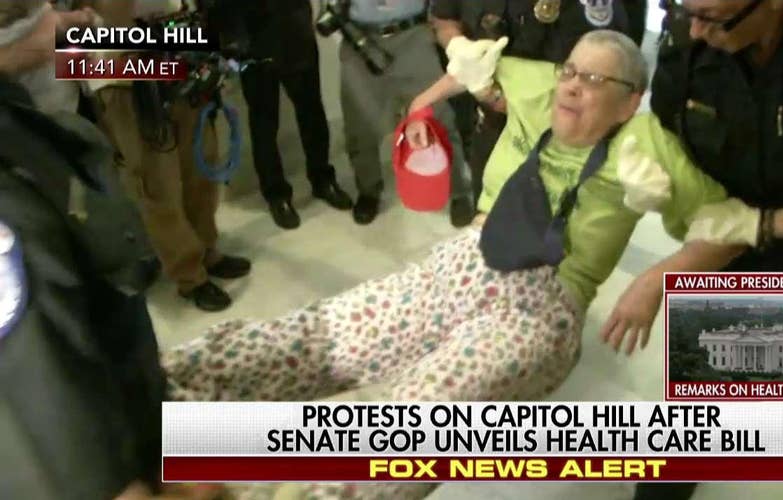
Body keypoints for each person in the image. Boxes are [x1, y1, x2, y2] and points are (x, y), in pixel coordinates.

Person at [163, 30, 743, 499]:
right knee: (317, 336)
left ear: (629, 100)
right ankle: (162, 403)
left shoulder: (647, 143)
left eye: (595, 80)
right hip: (465, 261)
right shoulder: (541, 84)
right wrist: (423, 100)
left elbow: (730, 226)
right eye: (570, 69)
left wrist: (656, 279)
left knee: (413, 421)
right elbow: (473, 65)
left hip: (539, 310)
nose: (572, 85)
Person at [604, 1, 783, 500]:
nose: (694, 28)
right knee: (707, 377)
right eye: (681, 8)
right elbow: (674, 144)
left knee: (769, 362)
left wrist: (763, 225)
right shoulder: (686, 36)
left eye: (713, 18)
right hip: (725, 214)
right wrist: (648, 166)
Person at [0, 6, 216, 499]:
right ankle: (191, 273)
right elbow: (57, 444)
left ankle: (206, 258)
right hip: (126, 463)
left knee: (390, 438)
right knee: (408, 446)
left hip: (150, 420)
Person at [84, 0, 253, 312]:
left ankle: (207, 250)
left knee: (201, 168)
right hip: (125, 75)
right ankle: (189, 275)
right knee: (158, 186)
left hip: (180, 58)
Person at [429, 0, 638, 204]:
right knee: (488, 212)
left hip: (559, 148)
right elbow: (444, 19)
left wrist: (492, 96)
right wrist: (457, 45)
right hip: (490, 132)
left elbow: (607, 85)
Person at [322, 0, 475, 227]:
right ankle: (368, 190)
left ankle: (459, 192)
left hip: (412, 33)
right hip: (358, 37)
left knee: (438, 117)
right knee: (359, 124)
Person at [209, 0, 353, 230]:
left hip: (295, 30)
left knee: (311, 111)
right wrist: (228, 41)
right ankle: (276, 195)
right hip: (251, 40)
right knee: (263, 123)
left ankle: (323, 179)